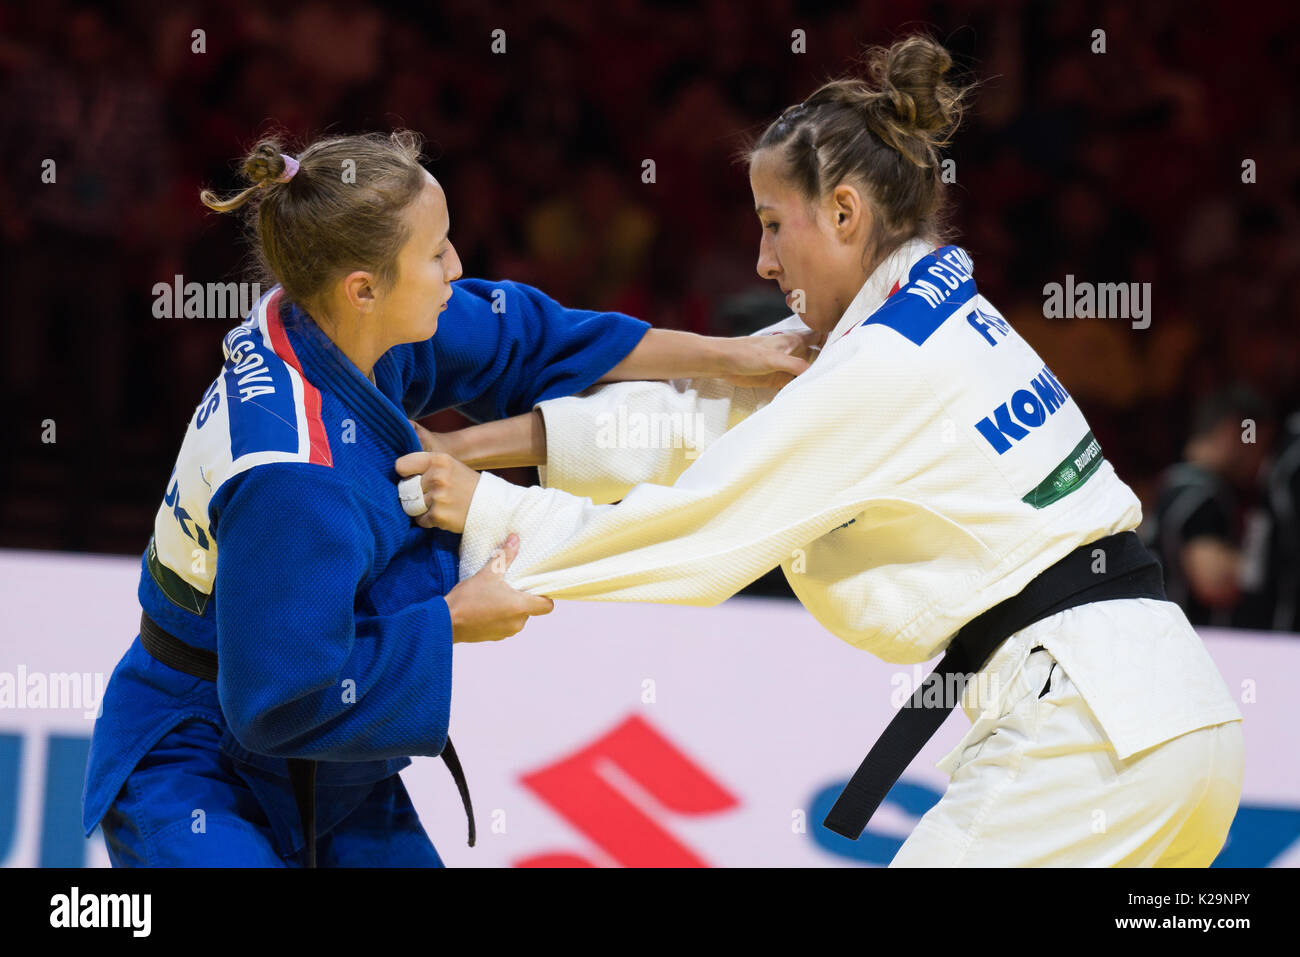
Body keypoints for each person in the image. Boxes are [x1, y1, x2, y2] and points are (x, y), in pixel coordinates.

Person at [402, 37, 1245, 867]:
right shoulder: (922, 313)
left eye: (775, 226)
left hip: (1090, 736)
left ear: (845, 212)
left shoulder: (883, 366)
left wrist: (492, 511)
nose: (764, 261)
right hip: (1175, 722)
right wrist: (466, 448)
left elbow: (705, 534)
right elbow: (686, 421)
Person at [81, 130, 813, 867]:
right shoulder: (294, 475)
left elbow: (533, 337)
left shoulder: (335, 318)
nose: (457, 267)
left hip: (324, 751)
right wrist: (450, 622)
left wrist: (732, 355)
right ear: (365, 287)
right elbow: (282, 698)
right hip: (199, 754)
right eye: (437, 254)